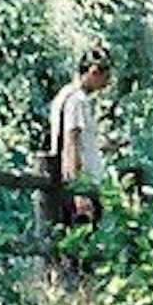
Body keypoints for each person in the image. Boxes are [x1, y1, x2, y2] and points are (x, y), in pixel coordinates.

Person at [44, 48, 110, 225]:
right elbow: (71, 143)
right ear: (94, 72)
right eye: (105, 77)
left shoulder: (65, 96)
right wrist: (79, 192)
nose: (106, 83)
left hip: (69, 183)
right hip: (79, 185)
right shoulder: (77, 100)